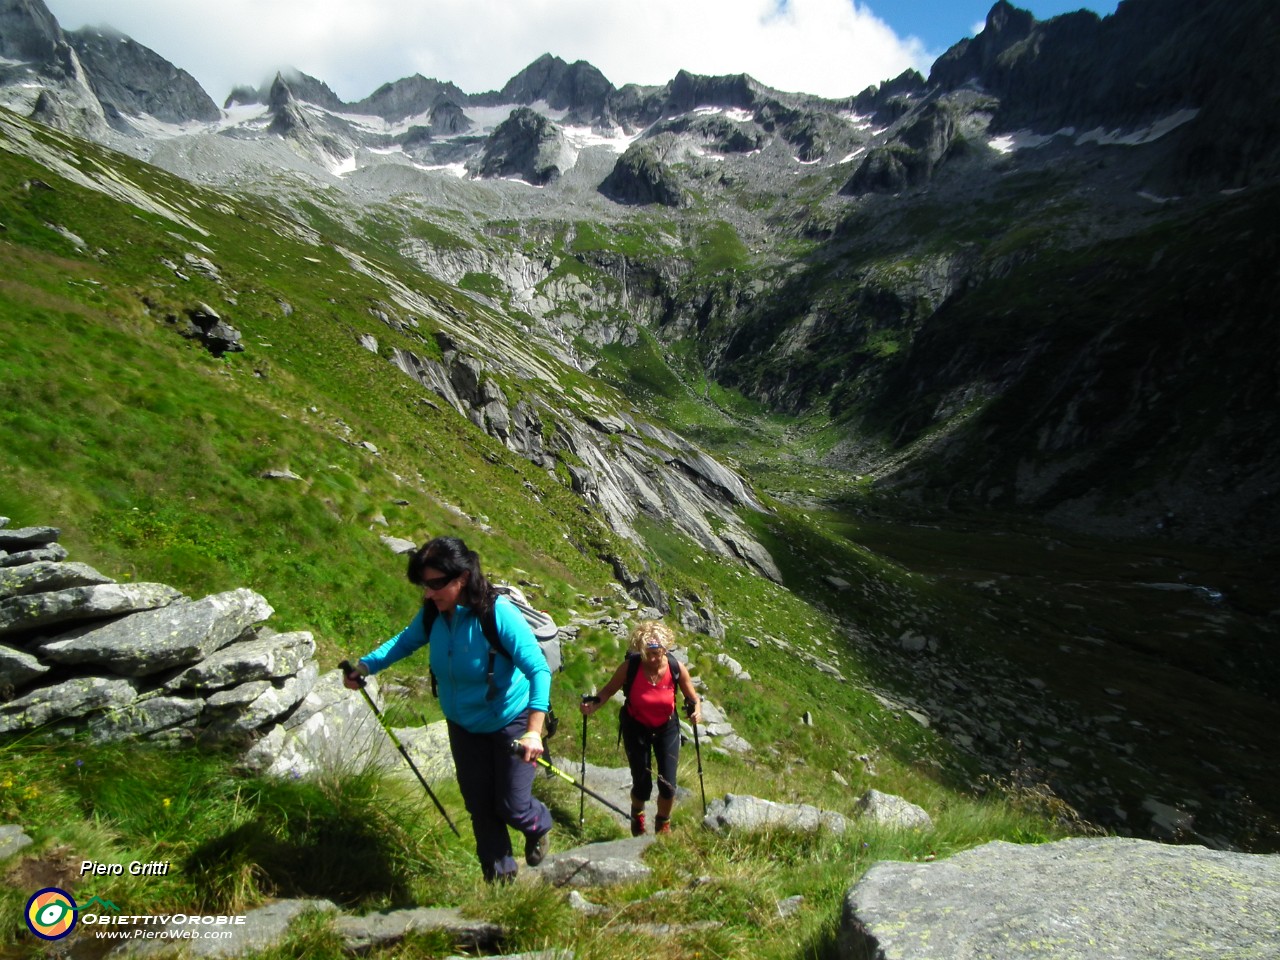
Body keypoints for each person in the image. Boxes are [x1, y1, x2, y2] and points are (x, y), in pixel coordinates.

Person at [343, 536, 553, 883]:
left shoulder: (497, 613)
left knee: (513, 806)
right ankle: (500, 882)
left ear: (464, 577)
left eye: (436, 584)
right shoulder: (434, 614)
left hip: (508, 722)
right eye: (424, 585)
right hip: (463, 726)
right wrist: (365, 667)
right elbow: (404, 641)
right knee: (479, 806)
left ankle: (538, 824)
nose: (428, 593)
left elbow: (538, 669)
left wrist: (533, 730)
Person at [579, 620, 701, 835]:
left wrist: (696, 711)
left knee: (668, 784)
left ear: (665, 648)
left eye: (657, 652)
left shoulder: (675, 668)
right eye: (648, 653)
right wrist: (592, 706)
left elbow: (693, 697)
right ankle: (638, 816)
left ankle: (663, 823)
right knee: (642, 783)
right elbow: (607, 691)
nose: (653, 658)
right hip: (636, 727)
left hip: (666, 728)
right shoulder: (631, 667)